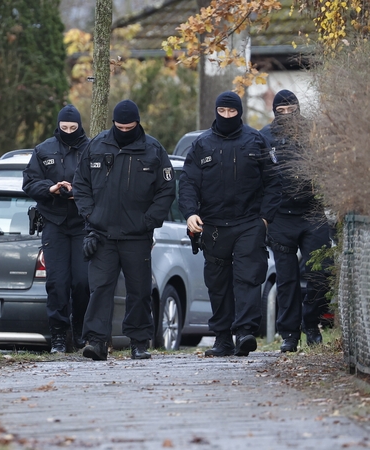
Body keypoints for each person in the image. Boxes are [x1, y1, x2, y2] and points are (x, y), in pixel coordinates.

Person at [179, 91, 282, 357]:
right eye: (222, 112)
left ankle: (245, 332)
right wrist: (190, 213)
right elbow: (188, 183)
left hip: (249, 222)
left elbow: (273, 181)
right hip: (213, 225)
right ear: (216, 112)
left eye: (231, 112)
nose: (227, 116)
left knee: (248, 277)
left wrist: (264, 219)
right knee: (218, 282)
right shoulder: (202, 144)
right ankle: (222, 338)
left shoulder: (255, 141)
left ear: (240, 112)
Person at [73, 100, 175, 361]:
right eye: (120, 126)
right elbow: (80, 183)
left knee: (139, 291)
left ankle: (139, 342)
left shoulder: (153, 150)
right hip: (102, 234)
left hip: (136, 236)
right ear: (113, 124)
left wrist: (148, 221)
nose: (124, 130)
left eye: (129, 127)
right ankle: (95, 342)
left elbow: (166, 190)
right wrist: (89, 215)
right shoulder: (96, 146)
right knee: (100, 290)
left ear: (137, 124)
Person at [260, 90, 332, 353]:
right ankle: (289, 334)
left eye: (292, 110)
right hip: (281, 217)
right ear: (275, 111)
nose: (287, 115)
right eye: (282, 110)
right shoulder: (265, 137)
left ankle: (311, 324)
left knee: (320, 271)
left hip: (313, 213)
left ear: (298, 108)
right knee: (286, 279)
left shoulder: (314, 132)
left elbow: (330, 166)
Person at [23, 105, 91, 354]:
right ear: (59, 126)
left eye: (73, 128)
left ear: (80, 126)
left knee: (83, 282)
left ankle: (81, 330)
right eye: (65, 128)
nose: (69, 132)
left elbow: (100, 183)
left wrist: (77, 192)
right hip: (54, 224)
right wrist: (51, 188)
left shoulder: (90, 148)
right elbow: (29, 182)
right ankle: (59, 336)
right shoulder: (44, 150)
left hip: (83, 223)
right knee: (57, 282)